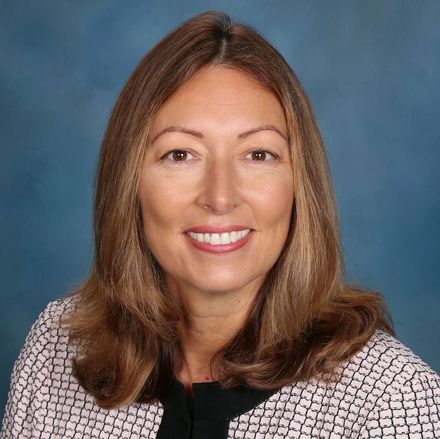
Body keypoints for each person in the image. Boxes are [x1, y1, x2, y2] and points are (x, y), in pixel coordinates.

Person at [1, 10, 439, 439]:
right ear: (129, 182)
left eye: (258, 154)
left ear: (299, 183)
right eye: (180, 154)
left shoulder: (391, 400)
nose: (220, 197)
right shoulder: (57, 348)